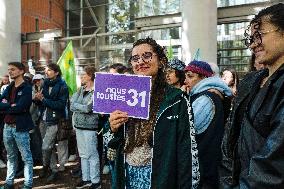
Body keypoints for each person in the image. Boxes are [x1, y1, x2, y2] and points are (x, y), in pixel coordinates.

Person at [107, 37, 200, 189]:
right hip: (127, 176)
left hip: (160, 178)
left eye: (147, 56)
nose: (140, 61)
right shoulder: (124, 96)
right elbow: (113, 146)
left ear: (161, 61)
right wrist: (113, 128)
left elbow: (187, 152)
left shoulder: (176, 100)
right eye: (135, 58)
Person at [220, 3, 284, 188]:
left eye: (260, 35)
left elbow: (272, 164)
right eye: (251, 38)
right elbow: (229, 141)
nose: (254, 44)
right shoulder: (251, 81)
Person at [183, 60, 232, 189]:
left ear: (204, 77)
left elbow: (185, 130)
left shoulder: (204, 100)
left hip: (203, 169)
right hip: (207, 168)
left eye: (190, 76)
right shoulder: (209, 94)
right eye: (185, 76)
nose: (185, 81)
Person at [0, 62, 34, 189]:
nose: (10, 72)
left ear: (21, 71)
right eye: (9, 70)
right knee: (11, 156)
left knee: (26, 157)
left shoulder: (26, 88)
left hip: (20, 127)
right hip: (7, 127)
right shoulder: (9, 87)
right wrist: (11, 105)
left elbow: (22, 107)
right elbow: (1, 104)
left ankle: (28, 184)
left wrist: (7, 106)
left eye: (13, 69)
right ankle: (9, 183)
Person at [34, 63, 69, 182]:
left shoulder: (62, 86)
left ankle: (45, 166)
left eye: (49, 70)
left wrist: (43, 99)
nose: (46, 72)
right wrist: (37, 99)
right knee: (49, 147)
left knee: (45, 147)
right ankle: (53, 169)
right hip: (43, 119)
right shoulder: (45, 84)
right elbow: (42, 103)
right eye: (46, 70)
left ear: (56, 72)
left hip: (54, 120)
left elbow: (60, 105)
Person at [71, 66, 100, 189]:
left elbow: (89, 108)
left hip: (90, 126)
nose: (81, 77)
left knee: (92, 154)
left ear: (90, 76)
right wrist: (80, 106)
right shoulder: (80, 90)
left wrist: (78, 106)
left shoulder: (97, 91)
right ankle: (86, 179)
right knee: (83, 154)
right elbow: (71, 105)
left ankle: (95, 181)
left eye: (84, 75)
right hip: (79, 126)